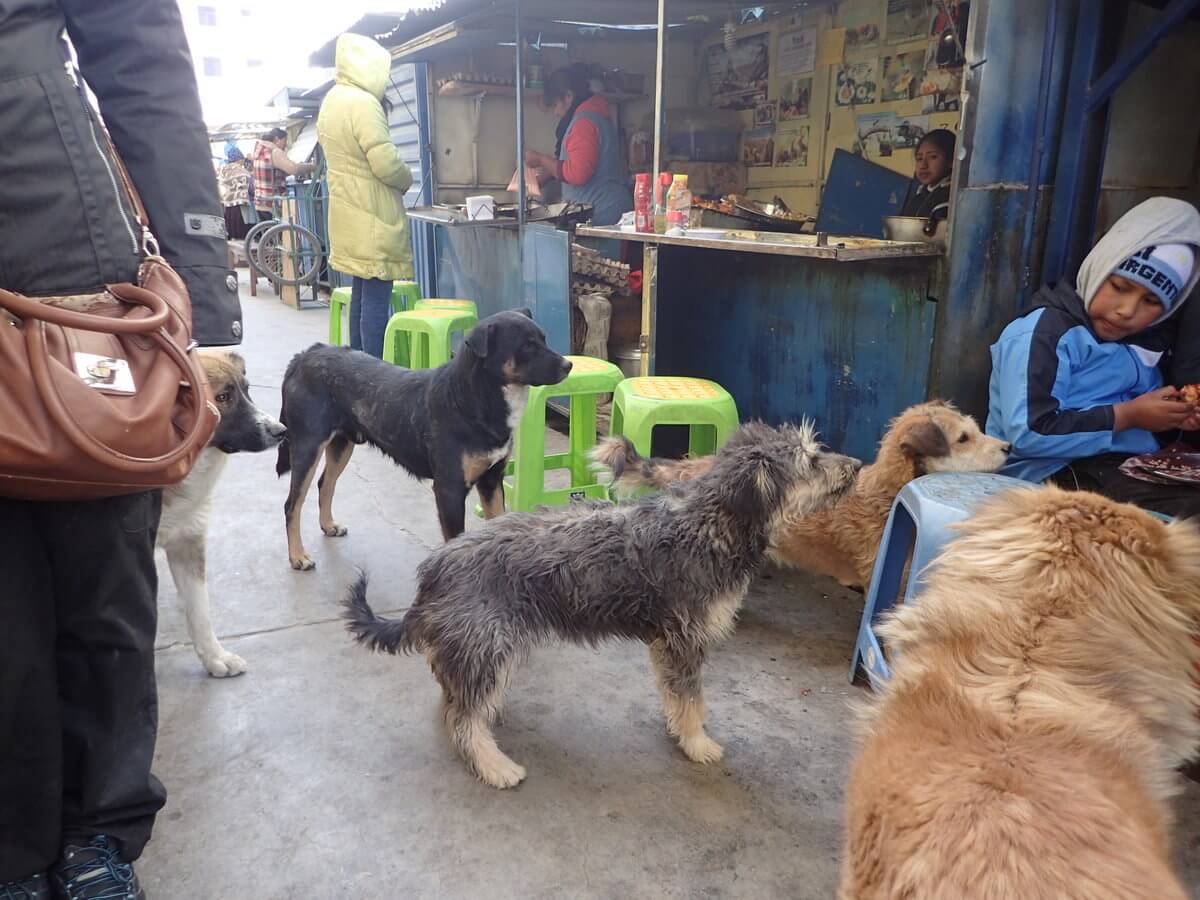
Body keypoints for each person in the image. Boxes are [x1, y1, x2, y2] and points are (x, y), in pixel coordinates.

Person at [0, 1, 242, 898]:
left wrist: (206, 306)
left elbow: (141, 57)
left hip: (64, 269)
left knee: (102, 584)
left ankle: (99, 829)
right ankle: (14, 849)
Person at [986, 197, 1200, 519]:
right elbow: (1030, 432)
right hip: (1046, 476)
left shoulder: (1147, 343)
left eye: (1151, 302)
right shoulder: (1046, 334)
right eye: (1119, 286)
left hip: (1124, 467)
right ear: (1100, 265)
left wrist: (1170, 419)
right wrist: (1128, 416)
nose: (1127, 310)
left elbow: (1141, 420)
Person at [317, 33, 414, 359]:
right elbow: (384, 161)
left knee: (360, 295)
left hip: (346, 213)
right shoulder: (363, 103)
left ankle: (356, 370)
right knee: (375, 299)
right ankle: (374, 376)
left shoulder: (332, 100)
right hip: (372, 214)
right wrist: (406, 178)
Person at [524, 63, 633, 239]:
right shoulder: (593, 115)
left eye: (555, 105)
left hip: (604, 214)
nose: (556, 112)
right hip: (607, 210)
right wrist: (546, 176)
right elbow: (580, 162)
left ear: (568, 96)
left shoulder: (584, 123)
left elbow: (577, 174)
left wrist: (541, 159)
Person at [251, 126, 315, 222]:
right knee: (279, 233)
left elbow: (271, 172)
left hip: (261, 201)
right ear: (277, 139)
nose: (286, 145)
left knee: (270, 234)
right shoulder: (274, 151)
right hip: (272, 203)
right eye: (285, 141)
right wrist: (312, 166)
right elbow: (293, 169)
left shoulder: (260, 151)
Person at [899, 128, 955, 222]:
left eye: (933, 157)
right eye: (919, 158)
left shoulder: (952, 198)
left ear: (951, 161)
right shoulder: (919, 197)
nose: (923, 165)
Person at [218, 146, 255, 240]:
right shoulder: (242, 171)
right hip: (241, 207)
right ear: (240, 159)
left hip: (227, 206)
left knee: (232, 232)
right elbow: (251, 189)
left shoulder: (223, 170)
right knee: (244, 234)